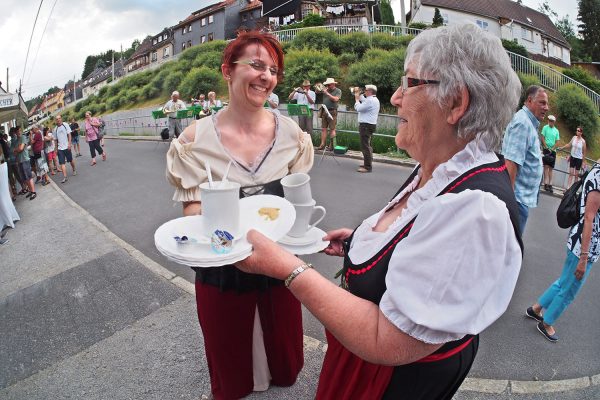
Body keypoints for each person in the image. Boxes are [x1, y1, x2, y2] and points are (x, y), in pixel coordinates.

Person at [235, 24, 523, 399]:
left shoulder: (475, 212)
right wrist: (359, 243)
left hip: (385, 385)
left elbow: (387, 339)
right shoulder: (441, 165)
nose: (397, 97)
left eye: (410, 83)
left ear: (456, 103)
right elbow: (416, 238)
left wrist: (286, 267)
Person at [166, 31, 314, 400]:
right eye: (257, 65)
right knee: (230, 348)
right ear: (227, 71)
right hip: (223, 270)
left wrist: (302, 233)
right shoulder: (193, 140)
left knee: (282, 351)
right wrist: (231, 252)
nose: (267, 76)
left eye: (274, 70)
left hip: (279, 265)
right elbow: (194, 209)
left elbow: (295, 202)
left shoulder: (292, 135)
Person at [526, 161, 600, 342]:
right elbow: (589, 218)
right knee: (570, 290)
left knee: (564, 281)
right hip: (583, 246)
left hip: (582, 242)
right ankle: (546, 323)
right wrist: (584, 257)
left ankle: (536, 308)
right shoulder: (599, 178)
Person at [502, 85, 548, 234]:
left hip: (519, 199)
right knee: (509, 250)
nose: (546, 108)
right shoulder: (523, 123)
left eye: (546, 103)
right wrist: (508, 203)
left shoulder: (529, 124)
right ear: (529, 100)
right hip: (516, 200)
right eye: (542, 102)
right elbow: (511, 164)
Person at [353, 84, 380, 173]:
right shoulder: (373, 99)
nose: (364, 91)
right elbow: (363, 100)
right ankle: (367, 163)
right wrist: (358, 94)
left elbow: (358, 108)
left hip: (365, 126)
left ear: (370, 91)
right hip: (370, 125)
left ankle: (367, 167)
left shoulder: (370, 101)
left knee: (365, 146)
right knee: (368, 145)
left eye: (366, 90)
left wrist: (356, 99)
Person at [318, 77, 341, 150]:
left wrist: (327, 93)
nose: (327, 86)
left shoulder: (338, 91)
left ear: (333, 84)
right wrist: (318, 87)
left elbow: (336, 99)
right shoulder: (326, 89)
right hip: (324, 110)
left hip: (332, 111)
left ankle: (332, 146)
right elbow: (316, 91)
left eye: (329, 85)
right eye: (327, 85)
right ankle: (322, 144)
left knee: (332, 129)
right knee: (324, 129)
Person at [52, 115, 77, 184]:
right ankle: (65, 177)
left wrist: (69, 143)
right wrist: (56, 149)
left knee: (70, 160)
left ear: (61, 119)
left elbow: (69, 135)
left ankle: (74, 169)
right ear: (55, 120)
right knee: (62, 163)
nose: (58, 120)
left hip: (67, 147)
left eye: (59, 118)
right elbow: (55, 140)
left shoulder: (65, 125)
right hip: (60, 149)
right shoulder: (55, 129)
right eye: (57, 119)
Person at [13, 126, 37, 200]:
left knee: (28, 177)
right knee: (24, 178)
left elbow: (20, 148)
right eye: (17, 131)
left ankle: (33, 192)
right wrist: (17, 149)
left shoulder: (23, 137)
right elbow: (14, 152)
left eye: (20, 130)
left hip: (25, 160)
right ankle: (30, 191)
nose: (19, 132)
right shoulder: (17, 141)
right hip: (19, 161)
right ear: (15, 133)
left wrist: (17, 149)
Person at [540, 115, 560, 192]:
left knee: (551, 168)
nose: (550, 122)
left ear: (554, 122)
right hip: (546, 149)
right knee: (546, 167)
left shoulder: (556, 131)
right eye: (549, 120)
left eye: (552, 121)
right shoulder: (545, 127)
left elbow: (558, 141)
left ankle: (550, 184)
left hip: (553, 151)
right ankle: (545, 183)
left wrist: (552, 149)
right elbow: (542, 137)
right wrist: (546, 147)